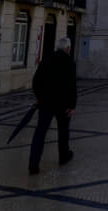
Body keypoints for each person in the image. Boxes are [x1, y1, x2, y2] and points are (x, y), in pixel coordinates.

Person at [28, 37, 77, 175]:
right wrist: (72, 105)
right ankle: (63, 156)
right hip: (63, 104)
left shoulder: (46, 59)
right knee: (63, 130)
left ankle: (33, 163)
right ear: (68, 48)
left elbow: (35, 82)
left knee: (40, 132)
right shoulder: (70, 62)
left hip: (46, 103)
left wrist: (40, 97)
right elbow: (72, 86)